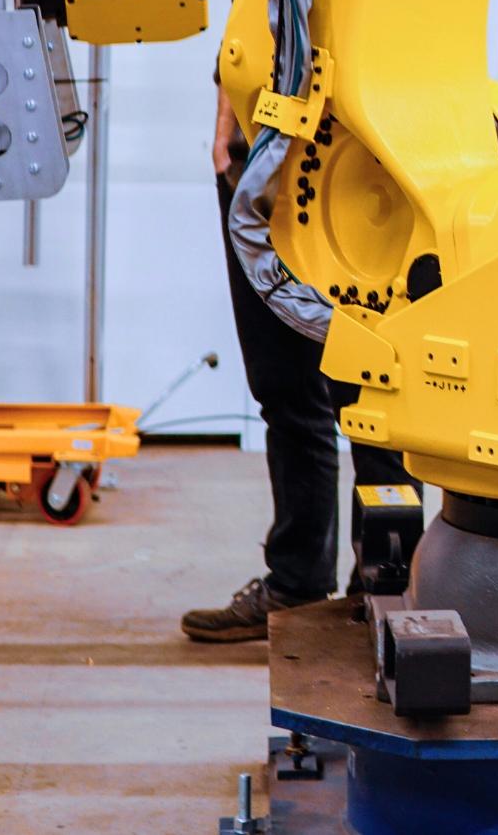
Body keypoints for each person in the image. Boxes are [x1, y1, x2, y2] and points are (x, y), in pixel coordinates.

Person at [181, 81, 420, 643]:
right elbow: (247, 22)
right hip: (260, 165)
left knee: (379, 389)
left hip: (366, 167)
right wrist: (225, 131)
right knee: (284, 389)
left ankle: (384, 587)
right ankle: (297, 579)